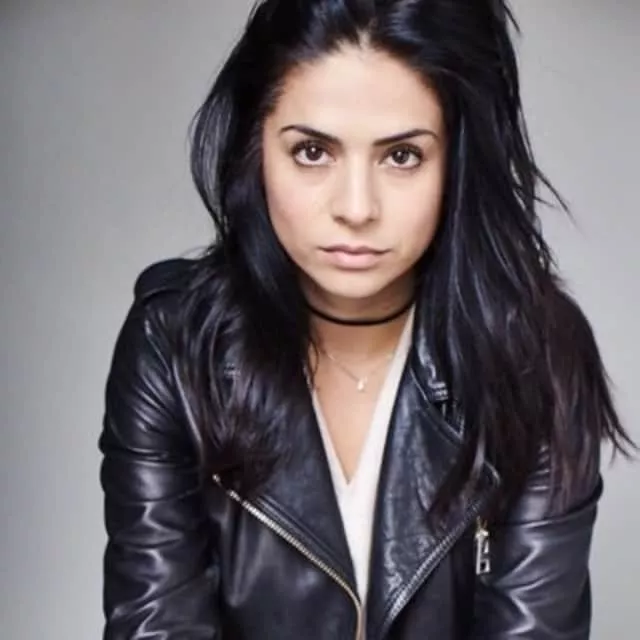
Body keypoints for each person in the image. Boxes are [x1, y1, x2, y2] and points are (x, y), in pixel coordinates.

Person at [98, 1, 635, 638]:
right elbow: (157, 624)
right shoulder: (175, 347)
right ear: (255, 148)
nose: (356, 208)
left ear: (456, 162)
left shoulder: (534, 357)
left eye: (402, 156)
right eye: (312, 152)